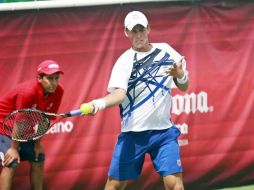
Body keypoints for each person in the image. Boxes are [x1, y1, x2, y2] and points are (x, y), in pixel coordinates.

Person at [83, 11, 188, 190]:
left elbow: (184, 86)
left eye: (141, 29)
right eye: (134, 31)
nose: (138, 35)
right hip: (133, 134)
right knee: (114, 186)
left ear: (148, 29)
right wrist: (98, 104)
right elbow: (119, 95)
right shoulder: (124, 62)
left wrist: (181, 76)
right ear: (126, 32)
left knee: (175, 185)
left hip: (163, 133)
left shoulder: (167, 52)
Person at [0, 60, 64, 190]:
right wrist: (13, 149)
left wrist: (37, 144)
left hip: (21, 129)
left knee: (38, 157)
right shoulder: (27, 92)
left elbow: (46, 119)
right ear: (39, 78)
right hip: (2, 126)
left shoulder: (59, 91)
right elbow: (20, 121)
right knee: (11, 162)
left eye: (56, 78)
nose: (54, 83)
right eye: (50, 78)